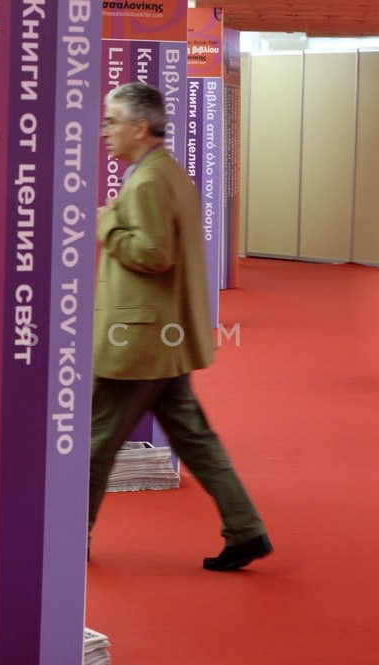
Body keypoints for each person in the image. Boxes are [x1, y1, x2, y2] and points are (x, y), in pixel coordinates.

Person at [89, 82, 272, 571]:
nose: (105, 131)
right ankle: (245, 529)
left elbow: (154, 254)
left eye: (111, 122)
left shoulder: (148, 181)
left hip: (139, 343)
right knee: (194, 438)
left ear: (139, 126)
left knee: (94, 443)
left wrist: (107, 224)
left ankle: (67, 538)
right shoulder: (166, 172)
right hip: (161, 339)